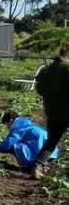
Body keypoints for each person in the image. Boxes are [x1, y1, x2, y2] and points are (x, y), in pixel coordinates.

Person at [33, 43, 69, 179]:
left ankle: (38, 166)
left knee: (51, 141)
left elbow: (39, 90)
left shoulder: (46, 69)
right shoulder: (67, 68)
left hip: (52, 111)